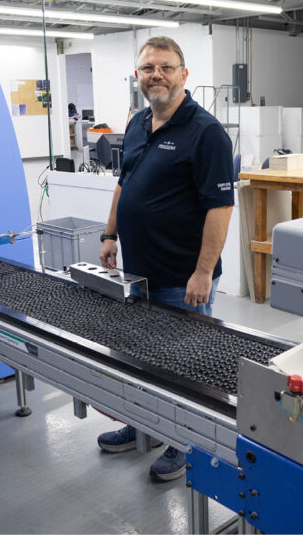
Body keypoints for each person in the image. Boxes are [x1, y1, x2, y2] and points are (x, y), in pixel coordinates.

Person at [96, 35, 235, 481]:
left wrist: (202, 271)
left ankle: (184, 442)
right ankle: (143, 428)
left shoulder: (207, 133)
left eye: (166, 67)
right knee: (141, 356)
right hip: (139, 271)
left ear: (184, 75)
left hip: (182, 277)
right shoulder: (138, 122)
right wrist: (110, 233)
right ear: (138, 76)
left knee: (185, 364)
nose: (156, 75)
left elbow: (220, 207)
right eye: (148, 68)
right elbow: (125, 182)